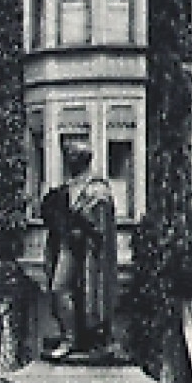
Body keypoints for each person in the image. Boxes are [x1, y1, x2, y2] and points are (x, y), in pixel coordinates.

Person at [42, 140, 119, 360]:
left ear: (81, 159)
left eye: (71, 156)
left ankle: (74, 338)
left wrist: (84, 226)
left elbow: (100, 227)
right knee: (58, 289)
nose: (68, 161)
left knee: (67, 290)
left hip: (87, 253)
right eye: (67, 156)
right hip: (67, 246)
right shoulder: (70, 186)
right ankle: (70, 336)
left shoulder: (98, 189)